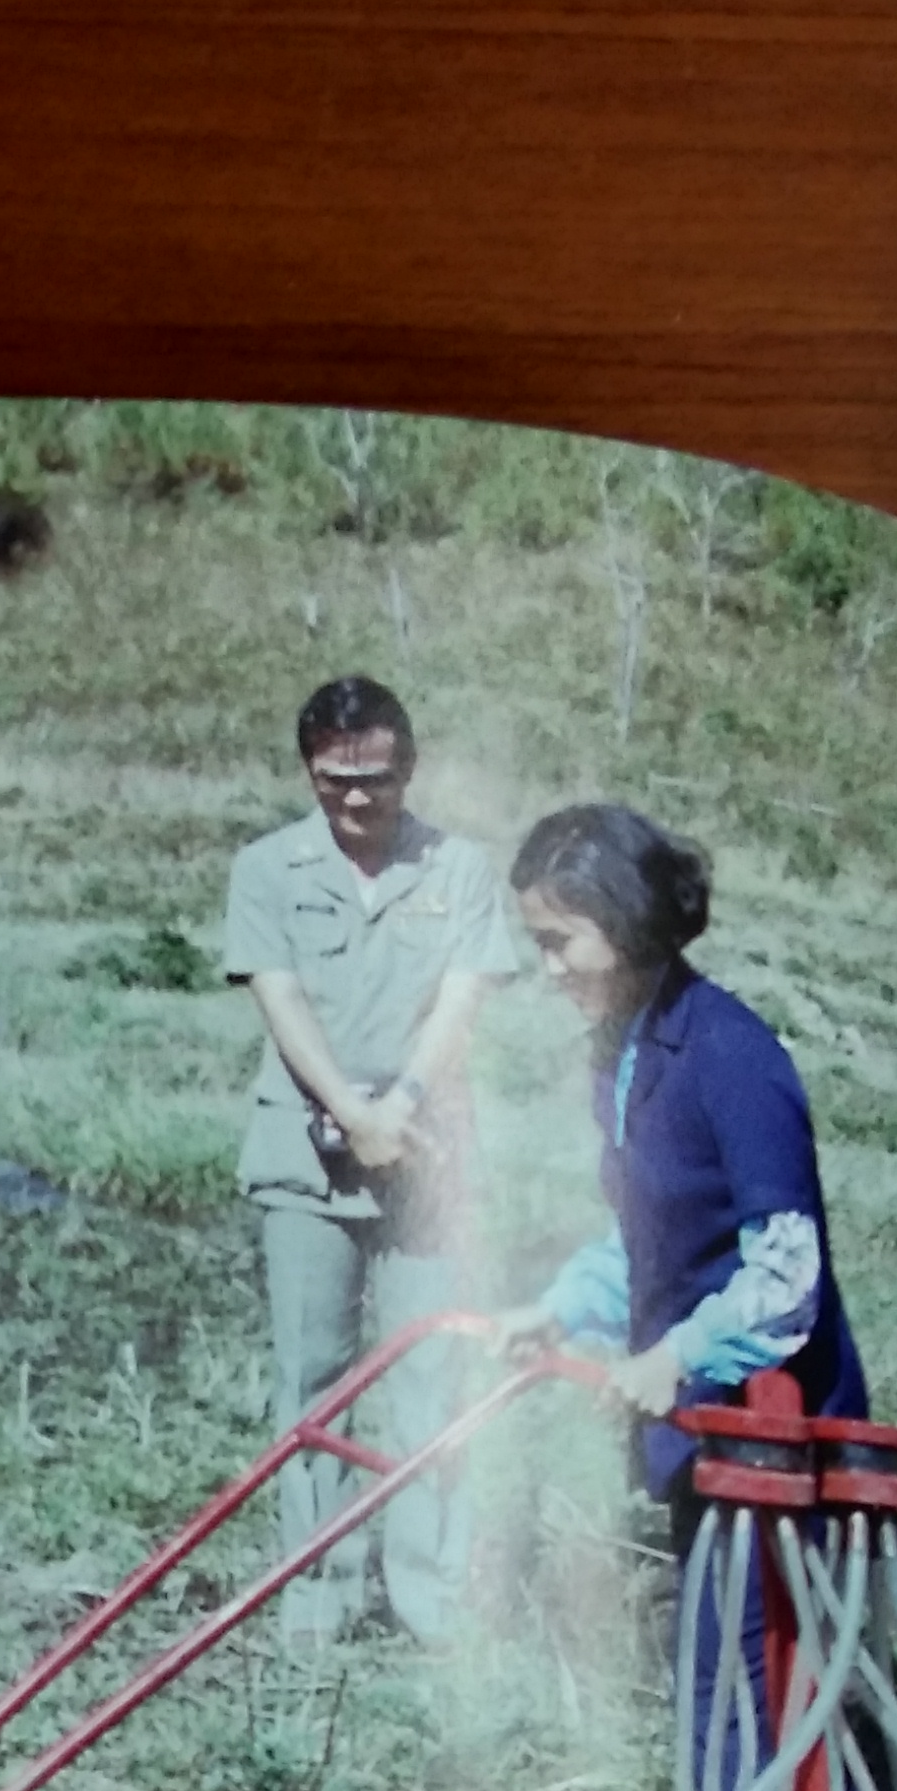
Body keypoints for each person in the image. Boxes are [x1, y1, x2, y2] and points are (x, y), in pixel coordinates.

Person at [495, 799, 891, 1791]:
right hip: (705, 1447)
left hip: (781, 1445)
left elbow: (784, 1270)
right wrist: (564, 1303)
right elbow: (645, 1234)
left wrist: (679, 1355)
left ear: (625, 923)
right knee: (721, 1706)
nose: (548, 967)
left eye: (561, 941)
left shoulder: (728, 1052)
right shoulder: (622, 1056)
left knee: (778, 1711)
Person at [223, 676, 512, 1641]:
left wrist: (402, 1110)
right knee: (314, 1381)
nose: (357, 798)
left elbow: (463, 1001)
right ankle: (319, 1599)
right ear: (310, 771)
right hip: (307, 1158)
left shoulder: (461, 868)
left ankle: (433, 1605)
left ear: (410, 768)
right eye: (334, 779)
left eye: (376, 778)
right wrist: (350, 1110)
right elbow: (281, 997)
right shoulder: (266, 869)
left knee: (433, 1377)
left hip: (425, 1157)